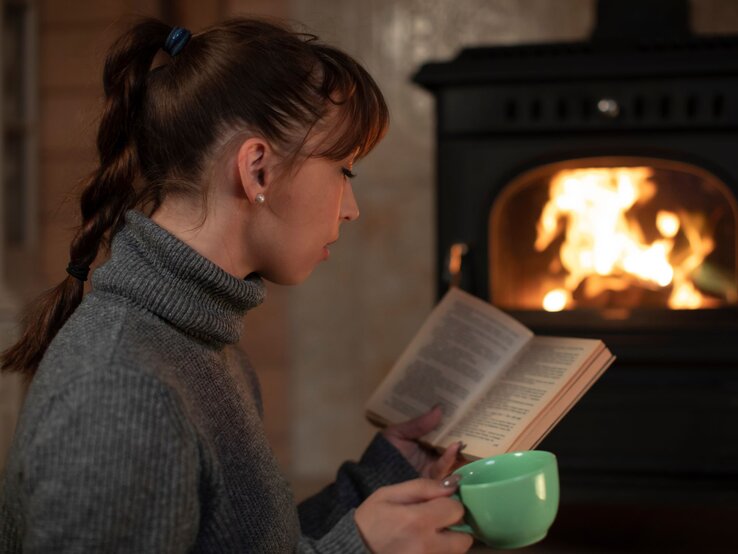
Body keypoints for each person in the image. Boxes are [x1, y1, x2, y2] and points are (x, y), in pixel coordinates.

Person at [0, 18, 473, 553]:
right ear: (258, 171)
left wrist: (381, 476)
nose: (351, 209)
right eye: (345, 170)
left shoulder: (201, 347)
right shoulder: (122, 390)